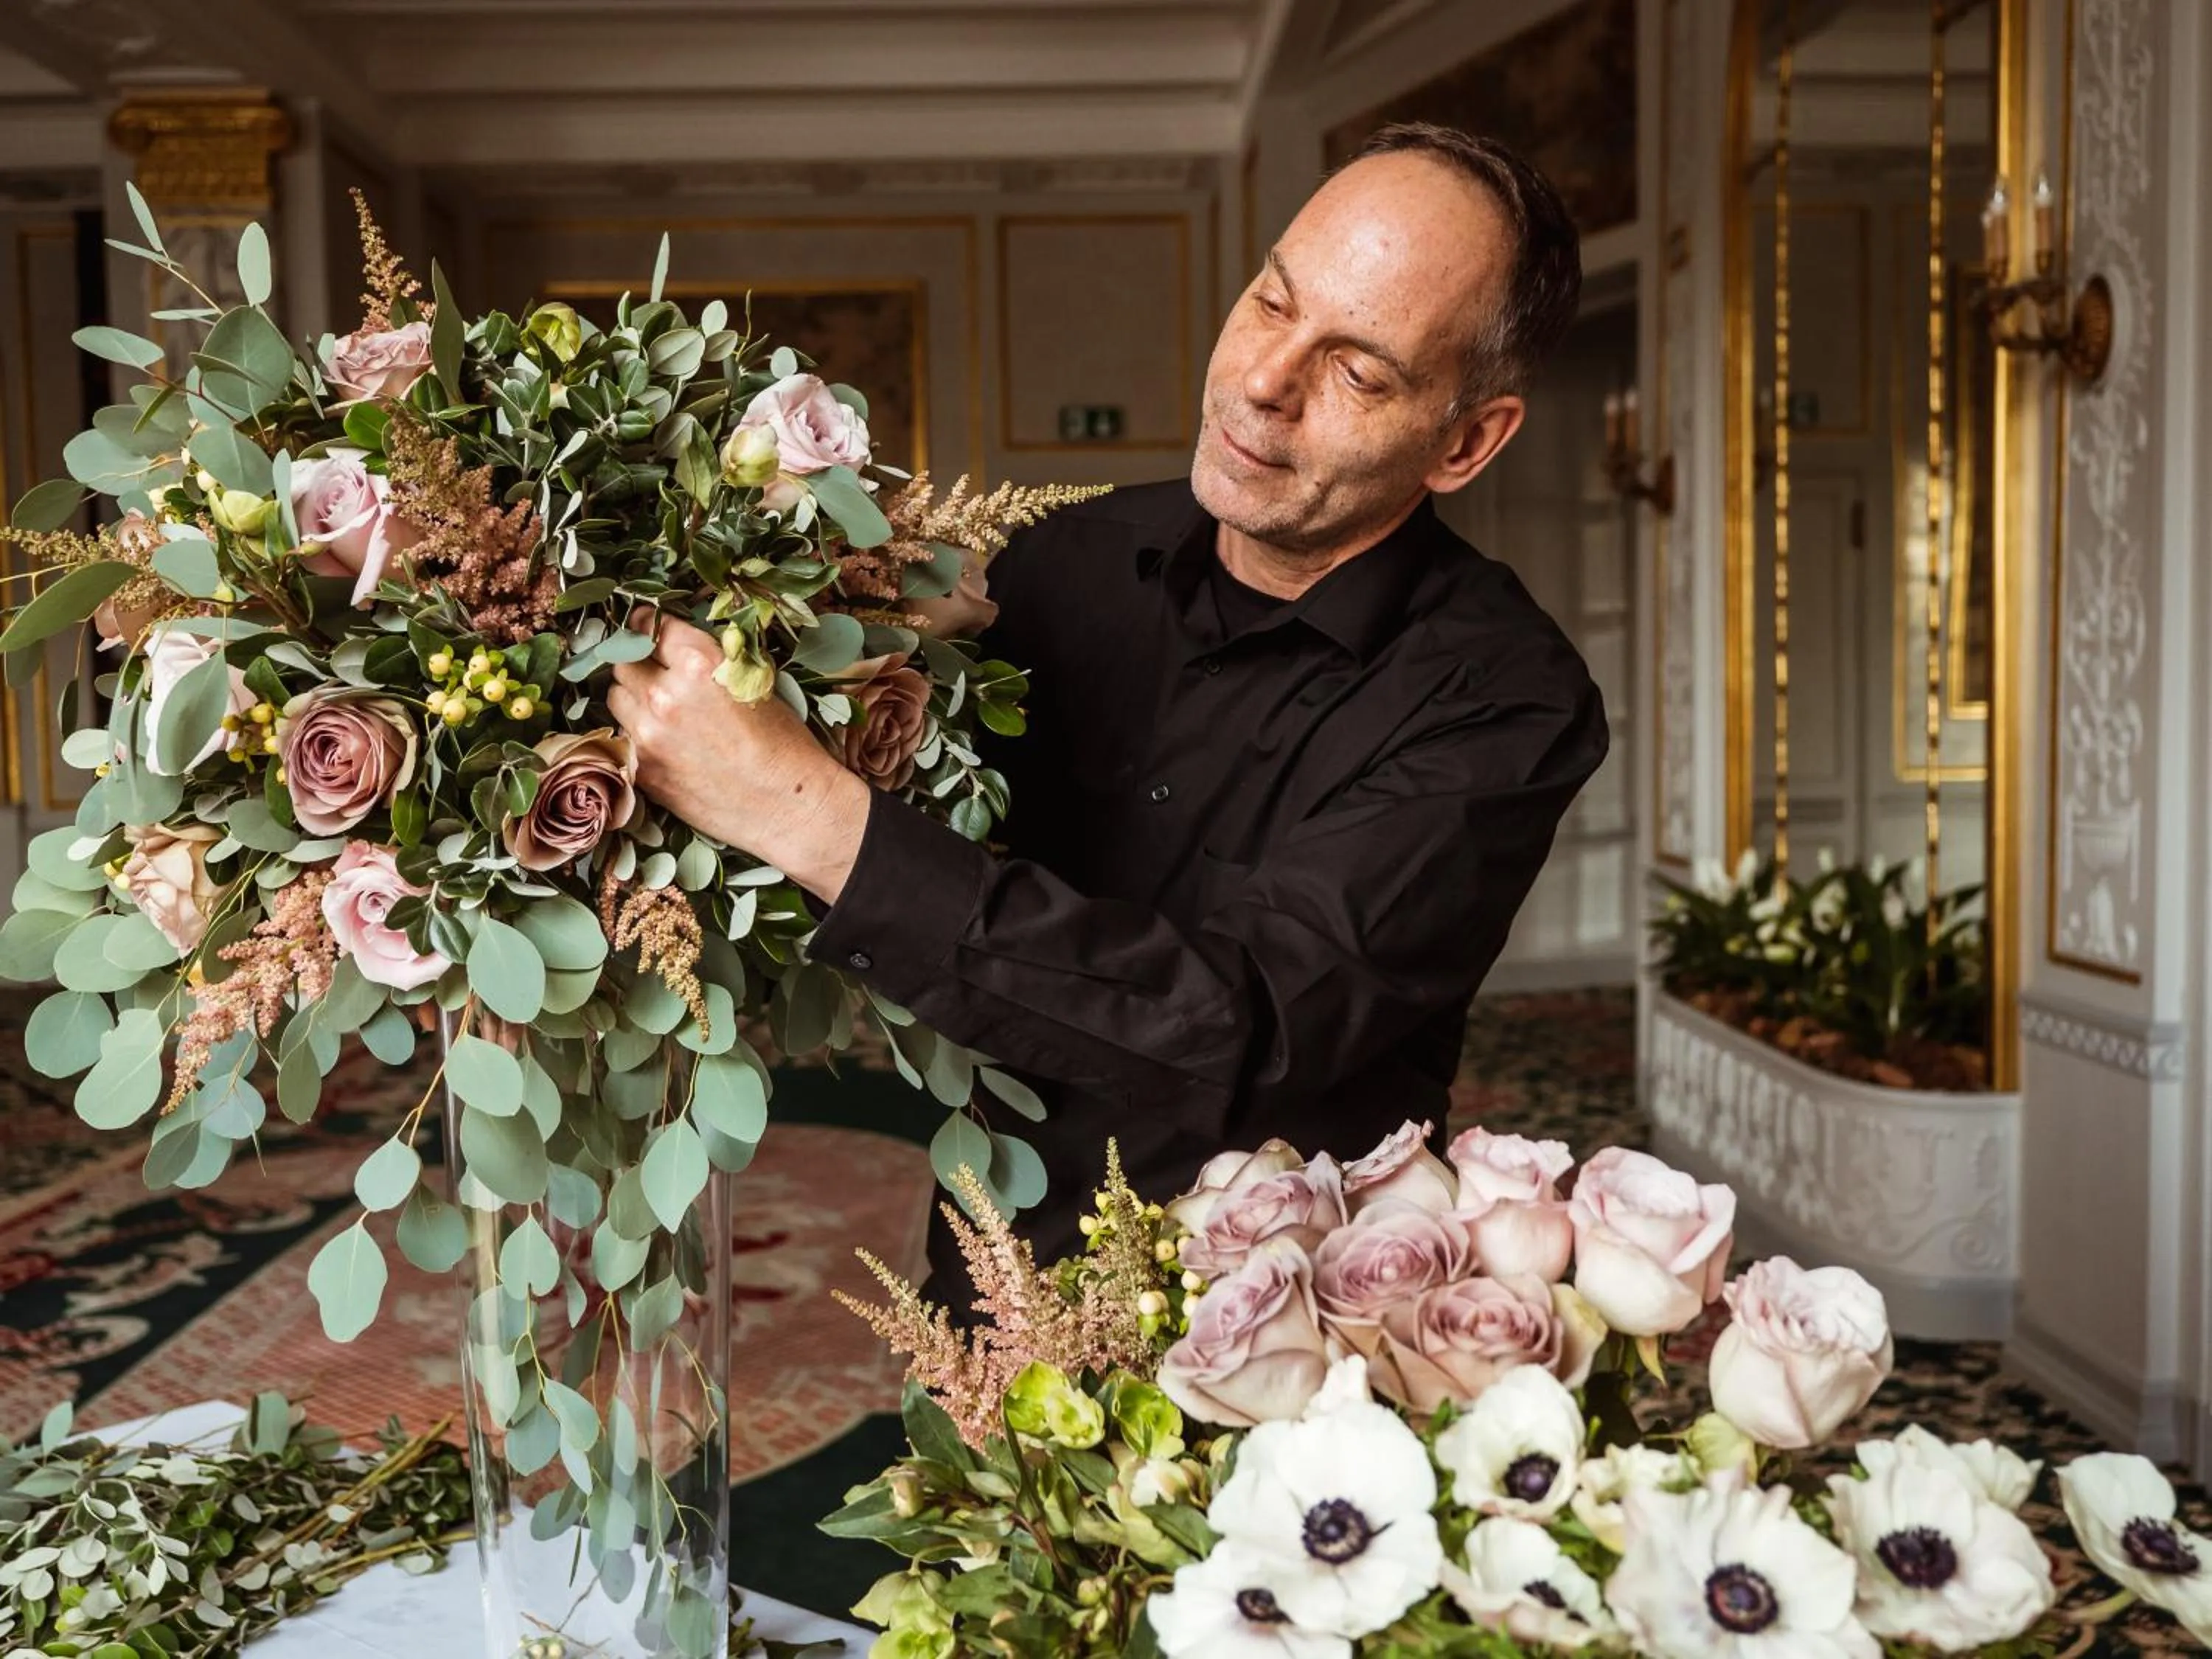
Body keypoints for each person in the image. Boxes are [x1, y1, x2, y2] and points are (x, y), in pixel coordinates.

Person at [609, 122, 1609, 1286]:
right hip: (988, 1267)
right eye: (1272, 302)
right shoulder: (1067, 554)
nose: (1263, 382)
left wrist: (795, 805)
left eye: (1357, 372)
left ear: (1467, 442)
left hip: (1280, 1320)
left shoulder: (1508, 699)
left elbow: (1244, 1025)